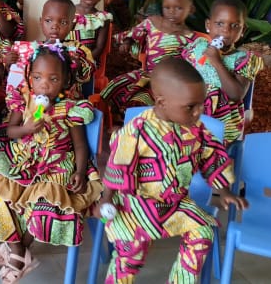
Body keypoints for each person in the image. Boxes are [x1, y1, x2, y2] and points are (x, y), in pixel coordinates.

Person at [100, 57, 247, 284]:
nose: (199, 112)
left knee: (203, 231)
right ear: (161, 101)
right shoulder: (135, 131)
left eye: (201, 104)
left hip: (176, 203)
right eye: (191, 106)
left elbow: (213, 157)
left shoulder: (197, 130)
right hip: (135, 204)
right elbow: (117, 166)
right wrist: (106, 199)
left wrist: (225, 191)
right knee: (130, 250)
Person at [0, 44, 102, 283]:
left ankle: (17, 252)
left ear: (65, 81)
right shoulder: (24, 101)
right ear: (30, 77)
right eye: (38, 77)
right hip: (23, 159)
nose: (44, 84)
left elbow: (80, 146)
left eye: (53, 79)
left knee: (46, 202)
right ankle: (18, 251)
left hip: (56, 164)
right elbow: (8, 131)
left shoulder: (71, 109)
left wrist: (81, 172)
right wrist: (26, 129)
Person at [101, 0, 201, 121]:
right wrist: (127, 43)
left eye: (178, 8)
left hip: (167, 84)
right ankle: (114, 118)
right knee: (114, 86)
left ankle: (135, 125)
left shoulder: (190, 38)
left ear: (191, 9)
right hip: (145, 75)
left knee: (141, 100)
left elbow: (189, 65)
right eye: (167, 7)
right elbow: (134, 33)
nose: (171, 12)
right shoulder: (153, 22)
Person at [181, 0, 263, 145]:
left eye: (234, 25)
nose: (226, 30)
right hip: (188, 115)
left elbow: (236, 94)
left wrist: (217, 62)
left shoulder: (243, 59)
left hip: (221, 125)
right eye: (219, 23)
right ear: (208, 25)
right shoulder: (198, 46)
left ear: (242, 30)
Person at [70, 0, 113, 68]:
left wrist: (83, 61)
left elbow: (99, 47)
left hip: (87, 63)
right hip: (63, 58)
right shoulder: (66, 12)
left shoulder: (102, 18)